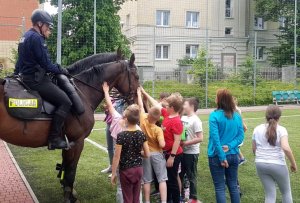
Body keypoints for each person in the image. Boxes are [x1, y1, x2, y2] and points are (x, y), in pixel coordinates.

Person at [15, 9, 72, 150]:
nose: (48, 29)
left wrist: (15, 73)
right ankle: (54, 138)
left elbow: (20, 61)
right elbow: (46, 65)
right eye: (47, 25)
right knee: (66, 102)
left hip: (25, 77)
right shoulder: (37, 39)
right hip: (37, 80)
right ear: (39, 23)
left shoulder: (25, 37)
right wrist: (62, 70)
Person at [141, 88, 184, 203]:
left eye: (168, 105)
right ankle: (168, 199)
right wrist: (145, 93)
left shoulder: (177, 121)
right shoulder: (167, 115)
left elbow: (177, 141)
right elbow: (155, 104)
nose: (165, 106)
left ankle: (176, 200)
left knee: (172, 180)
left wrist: (172, 156)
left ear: (172, 108)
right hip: (165, 153)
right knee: (167, 179)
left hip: (173, 154)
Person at [102, 82, 142, 203]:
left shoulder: (116, 120)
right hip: (137, 166)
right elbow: (145, 152)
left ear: (125, 115)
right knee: (137, 189)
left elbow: (110, 105)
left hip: (124, 165)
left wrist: (105, 91)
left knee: (121, 188)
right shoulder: (139, 130)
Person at [252, 105, 297, 203]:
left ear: (266, 116)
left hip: (260, 163)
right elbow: (286, 148)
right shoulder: (281, 129)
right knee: (286, 192)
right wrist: (293, 164)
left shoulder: (257, 129)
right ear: (279, 117)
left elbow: (254, 149)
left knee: (269, 195)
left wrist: (262, 159)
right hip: (278, 164)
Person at [208, 89, 244, 203]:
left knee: (220, 188)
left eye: (216, 96)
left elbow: (216, 139)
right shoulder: (237, 116)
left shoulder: (214, 115)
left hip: (217, 156)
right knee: (233, 186)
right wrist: (230, 146)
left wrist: (223, 156)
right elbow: (240, 136)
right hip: (233, 155)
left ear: (219, 100)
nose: (215, 98)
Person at [111, 104, 150, 203]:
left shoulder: (121, 136)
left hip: (126, 171)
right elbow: (147, 154)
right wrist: (138, 153)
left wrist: (113, 173)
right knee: (136, 197)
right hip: (138, 169)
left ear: (126, 119)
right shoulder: (141, 134)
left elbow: (117, 156)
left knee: (127, 197)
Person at [137, 88, 168, 203]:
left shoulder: (143, 119)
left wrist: (139, 94)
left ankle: (147, 201)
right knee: (162, 179)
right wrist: (163, 134)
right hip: (157, 154)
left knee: (147, 180)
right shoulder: (158, 129)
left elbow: (140, 106)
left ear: (148, 114)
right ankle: (164, 201)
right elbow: (162, 144)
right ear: (158, 118)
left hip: (145, 154)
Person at [180, 98, 203, 203]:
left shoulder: (196, 120)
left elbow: (200, 138)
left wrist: (186, 143)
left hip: (191, 153)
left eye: (185, 104)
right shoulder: (183, 117)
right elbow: (182, 132)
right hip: (181, 151)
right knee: (180, 174)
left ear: (192, 106)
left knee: (191, 175)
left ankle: (193, 199)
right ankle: (182, 196)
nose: (183, 106)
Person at [233, 97, 248, 165]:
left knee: (235, 147)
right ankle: (241, 158)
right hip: (236, 135)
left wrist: (239, 136)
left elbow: (245, 128)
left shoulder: (238, 118)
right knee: (235, 147)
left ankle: (242, 159)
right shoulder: (236, 117)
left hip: (237, 136)